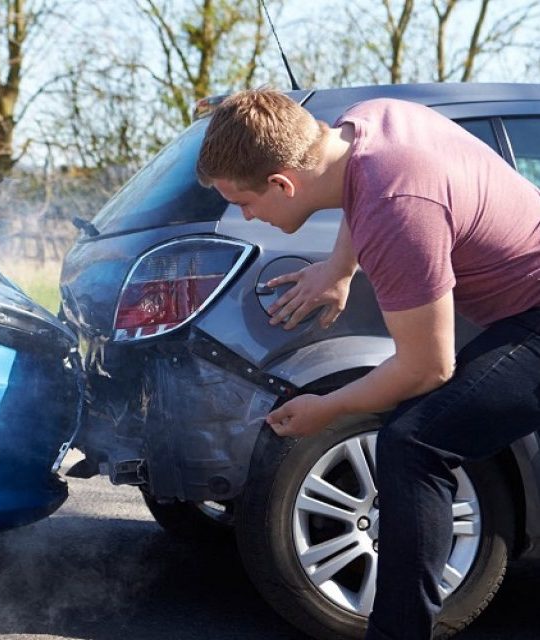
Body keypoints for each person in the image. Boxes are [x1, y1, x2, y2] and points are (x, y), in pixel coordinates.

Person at [195, 89, 540, 639]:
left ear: (284, 183)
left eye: (244, 202)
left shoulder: (397, 208)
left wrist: (326, 410)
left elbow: (428, 368)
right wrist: (339, 265)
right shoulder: (369, 122)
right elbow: (365, 188)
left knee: (416, 443)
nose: (247, 215)